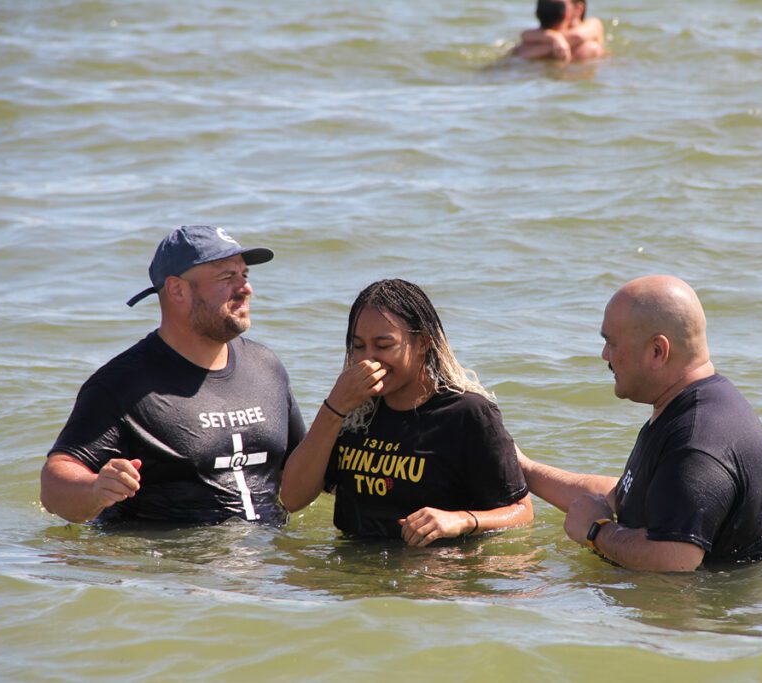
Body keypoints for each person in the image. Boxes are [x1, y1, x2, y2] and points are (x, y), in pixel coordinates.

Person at [518, 276, 762, 571]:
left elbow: (674, 559)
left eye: (611, 343)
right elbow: (624, 495)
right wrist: (525, 470)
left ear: (657, 351)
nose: (604, 356)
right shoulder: (686, 408)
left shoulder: (697, 439)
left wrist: (597, 532)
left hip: (725, 608)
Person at [40, 225, 307, 526]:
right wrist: (95, 489)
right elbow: (54, 485)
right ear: (177, 289)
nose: (246, 288)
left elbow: (302, 470)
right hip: (176, 565)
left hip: (268, 561)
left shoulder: (266, 366)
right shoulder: (123, 384)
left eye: (244, 275)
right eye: (226, 277)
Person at [280, 279, 533, 546]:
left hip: (434, 577)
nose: (368, 359)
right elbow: (292, 499)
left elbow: (521, 511)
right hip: (353, 576)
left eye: (383, 345)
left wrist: (462, 520)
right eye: (358, 346)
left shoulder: (467, 414)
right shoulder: (353, 412)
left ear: (422, 342)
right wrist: (333, 408)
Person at [513, 0, 606, 63]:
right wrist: (554, 38)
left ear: (578, 9)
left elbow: (578, 36)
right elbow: (524, 35)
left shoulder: (592, 24)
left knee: (590, 48)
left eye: (559, 5)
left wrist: (546, 45)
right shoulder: (531, 41)